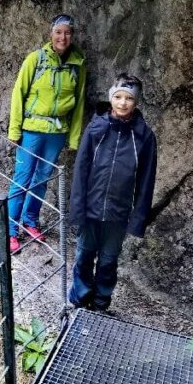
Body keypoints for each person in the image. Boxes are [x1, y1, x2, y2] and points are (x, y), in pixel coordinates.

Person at [67, 73, 158, 311]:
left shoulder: (144, 137)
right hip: (91, 207)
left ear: (136, 102)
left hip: (119, 212)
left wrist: (138, 219)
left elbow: (146, 182)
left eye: (129, 98)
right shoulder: (96, 129)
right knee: (84, 255)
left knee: (108, 260)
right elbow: (81, 171)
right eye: (118, 97)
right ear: (111, 98)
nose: (122, 103)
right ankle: (80, 298)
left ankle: (100, 302)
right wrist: (77, 208)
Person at [6, 14, 86, 254]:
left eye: (67, 33)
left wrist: (73, 137)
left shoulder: (77, 64)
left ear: (72, 36)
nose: (63, 37)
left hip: (57, 131)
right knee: (22, 177)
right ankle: (10, 230)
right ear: (51, 34)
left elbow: (79, 102)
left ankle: (30, 220)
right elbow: (18, 93)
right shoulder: (36, 59)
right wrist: (14, 129)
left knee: (43, 177)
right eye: (59, 32)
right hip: (33, 129)